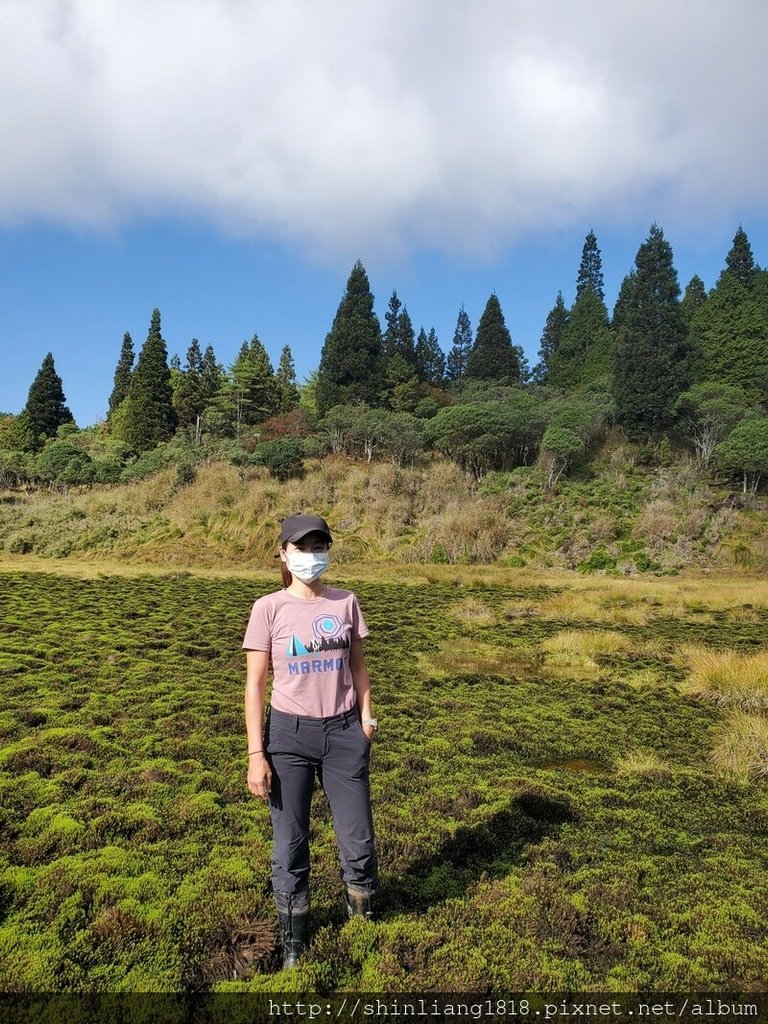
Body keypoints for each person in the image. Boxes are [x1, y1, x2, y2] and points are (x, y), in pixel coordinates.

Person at [243, 513, 379, 969]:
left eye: (320, 545)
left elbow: (359, 666)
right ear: (282, 553)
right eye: (302, 547)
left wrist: (365, 720)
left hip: (344, 733)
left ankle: (361, 922)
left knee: (358, 841)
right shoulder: (268, 608)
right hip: (288, 737)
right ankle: (294, 942)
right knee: (290, 844)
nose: (311, 555)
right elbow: (255, 686)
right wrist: (256, 753)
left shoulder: (346, 602)